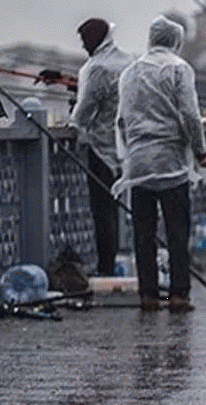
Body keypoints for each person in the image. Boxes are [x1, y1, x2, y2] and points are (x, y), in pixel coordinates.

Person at [114, 16, 206, 312]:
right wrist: (201, 151)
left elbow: (121, 120)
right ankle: (180, 293)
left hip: (139, 164)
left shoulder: (130, 72)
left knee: (143, 232)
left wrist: (132, 152)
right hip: (171, 163)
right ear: (175, 41)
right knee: (177, 230)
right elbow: (190, 116)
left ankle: (149, 294)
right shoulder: (179, 69)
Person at [70, 18, 134, 276]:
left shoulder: (97, 68)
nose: (84, 47)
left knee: (103, 212)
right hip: (128, 148)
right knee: (119, 210)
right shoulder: (127, 61)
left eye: (85, 41)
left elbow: (83, 114)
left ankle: (105, 268)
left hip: (101, 150)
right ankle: (120, 264)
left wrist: (73, 116)